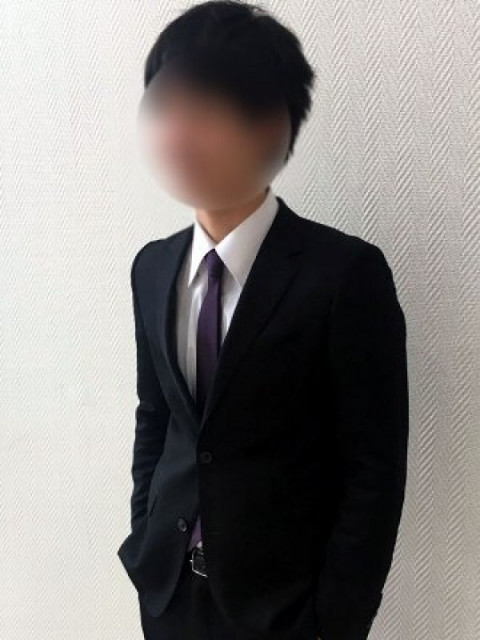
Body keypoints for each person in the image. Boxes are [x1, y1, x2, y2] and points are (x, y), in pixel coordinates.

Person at [117, 2, 409, 639]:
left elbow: (375, 468)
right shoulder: (152, 268)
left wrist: (337, 620)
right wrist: (144, 535)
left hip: (286, 612)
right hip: (168, 595)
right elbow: (156, 417)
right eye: (165, 107)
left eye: (205, 109)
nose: (177, 133)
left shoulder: (344, 274)